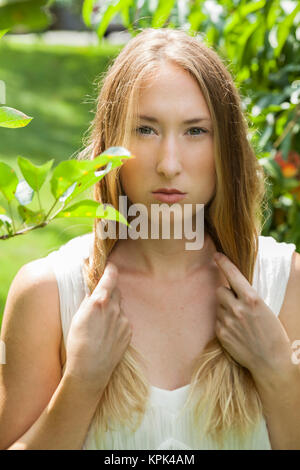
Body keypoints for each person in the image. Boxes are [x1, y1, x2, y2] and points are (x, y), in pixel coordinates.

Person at [1, 27, 300, 451]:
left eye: (196, 131)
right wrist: (81, 384)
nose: (169, 164)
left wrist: (277, 372)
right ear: (111, 143)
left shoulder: (285, 285)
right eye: (146, 129)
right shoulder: (48, 294)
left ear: (226, 148)